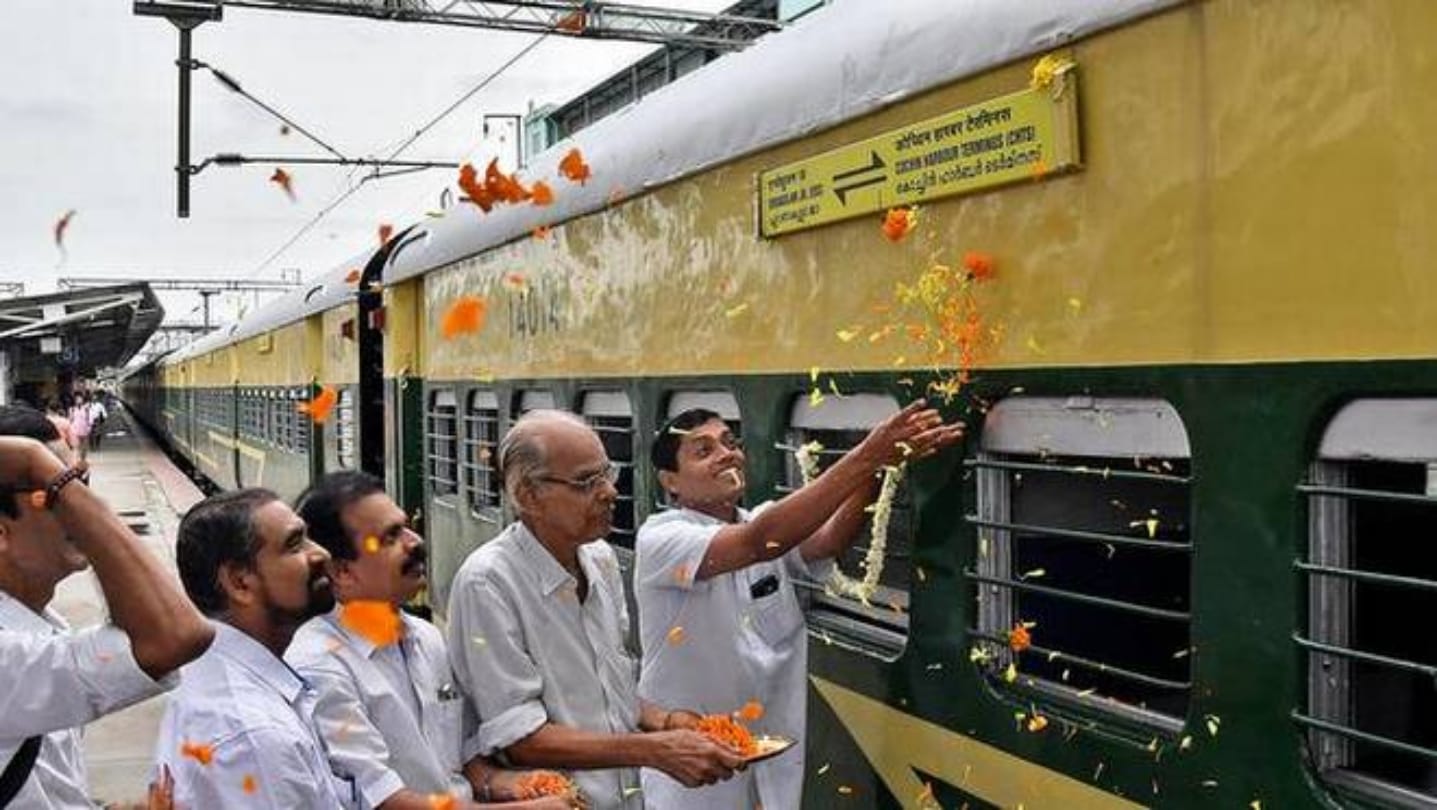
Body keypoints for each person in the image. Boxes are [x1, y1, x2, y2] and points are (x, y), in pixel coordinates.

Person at [634, 400, 962, 809]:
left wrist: (881, 467)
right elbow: (761, 542)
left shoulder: (761, 520)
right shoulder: (661, 540)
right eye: (704, 451)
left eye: (729, 442)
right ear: (671, 482)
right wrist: (866, 455)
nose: (726, 454)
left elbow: (828, 539)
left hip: (769, 768)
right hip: (692, 780)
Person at [446, 411, 744, 810]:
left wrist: (668, 722)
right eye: (586, 482)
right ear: (528, 495)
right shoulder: (489, 583)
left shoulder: (599, 559)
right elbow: (521, 740)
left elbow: (610, 689)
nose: (608, 492)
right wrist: (655, 750)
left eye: (607, 474)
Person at [287, 471, 579, 810]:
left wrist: (510, 785)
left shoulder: (425, 638)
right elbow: (384, 802)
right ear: (341, 572)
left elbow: (461, 761)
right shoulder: (321, 669)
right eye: (391, 537)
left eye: (406, 526)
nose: (415, 542)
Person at [0, 406, 213, 808]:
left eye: (83, 483)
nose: (83, 507)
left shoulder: (44, 625)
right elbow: (175, 635)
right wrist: (32, 459)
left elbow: (43, 787)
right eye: (57, 492)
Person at [153, 488, 353, 808]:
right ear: (240, 583)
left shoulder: (223, 682)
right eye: (294, 544)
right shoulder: (253, 735)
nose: (321, 555)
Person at [67, 394, 92, 463]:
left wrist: (89, 427)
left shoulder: (86, 409)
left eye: (80, 399)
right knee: (76, 447)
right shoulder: (71, 409)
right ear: (74, 401)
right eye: (77, 399)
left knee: (84, 447)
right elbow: (70, 420)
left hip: (84, 429)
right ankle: (77, 460)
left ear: (83, 400)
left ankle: (83, 459)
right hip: (75, 430)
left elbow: (89, 419)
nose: (79, 401)